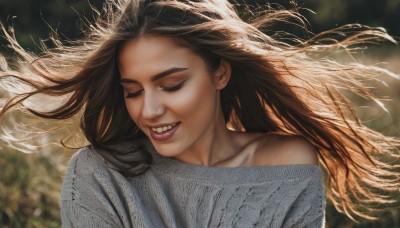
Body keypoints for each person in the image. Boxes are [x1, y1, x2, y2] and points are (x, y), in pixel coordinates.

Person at [0, 0, 399, 227]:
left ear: (220, 72)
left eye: (172, 85)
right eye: (133, 92)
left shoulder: (287, 164)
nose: (150, 110)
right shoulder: (100, 174)